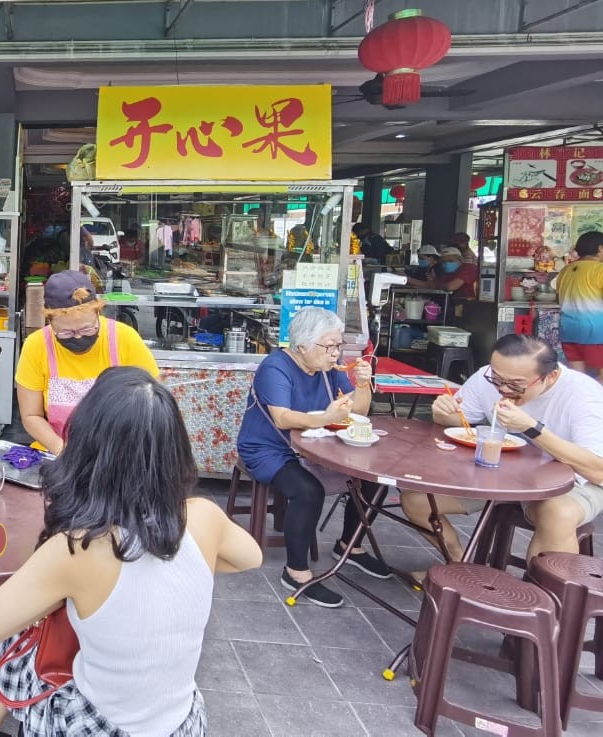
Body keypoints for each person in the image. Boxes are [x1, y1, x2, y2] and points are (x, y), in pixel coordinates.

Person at [0, 367, 263, 737]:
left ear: (87, 447)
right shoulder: (204, 517)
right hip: (182, 723)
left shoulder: (77, 549)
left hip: (98, 727)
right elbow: (250, 557)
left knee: (29, 637)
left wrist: (56, 591)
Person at [235, 307, 391, 608]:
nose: (335, 353)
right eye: (329, 346)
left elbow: (358, 410)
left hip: (316, 445)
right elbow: (282, 418)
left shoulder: (330, 368)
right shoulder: (276, 367)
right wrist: (327, 417)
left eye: (338, 345)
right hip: (269, 448)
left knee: (375, 477)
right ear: (302, 345)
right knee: (308, 491)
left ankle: (350, 544)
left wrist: (362, 384)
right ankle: (296, 572)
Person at [403, 334, 603, 562]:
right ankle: (459, 568)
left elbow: (597, 470)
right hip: (502, 472)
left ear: (551, 376)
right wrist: (442, 412)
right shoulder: (486, 378)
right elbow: (457, 420)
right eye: (497, 379)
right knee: (417, 500)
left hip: (573, 481)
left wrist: (532, 428)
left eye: (516, 384)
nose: (503, 389)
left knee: (558, 513)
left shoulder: (585, 396)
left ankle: (544, 595)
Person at [15, 270, 158, 454]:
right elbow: (31, 415)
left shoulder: (125, 339)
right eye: (66, 332)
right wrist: (64, 452)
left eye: (87, 329)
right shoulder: (36, 346)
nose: (78, 337)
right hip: (58, 453)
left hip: (119, 453)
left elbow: (152, 402)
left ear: (98, 313)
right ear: (49, 321)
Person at [555, 231, 603, 380]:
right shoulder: (599, 270)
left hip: (569, 331)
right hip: (595, 333)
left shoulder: (565, 271)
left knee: (578, 378)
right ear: (600, 248)